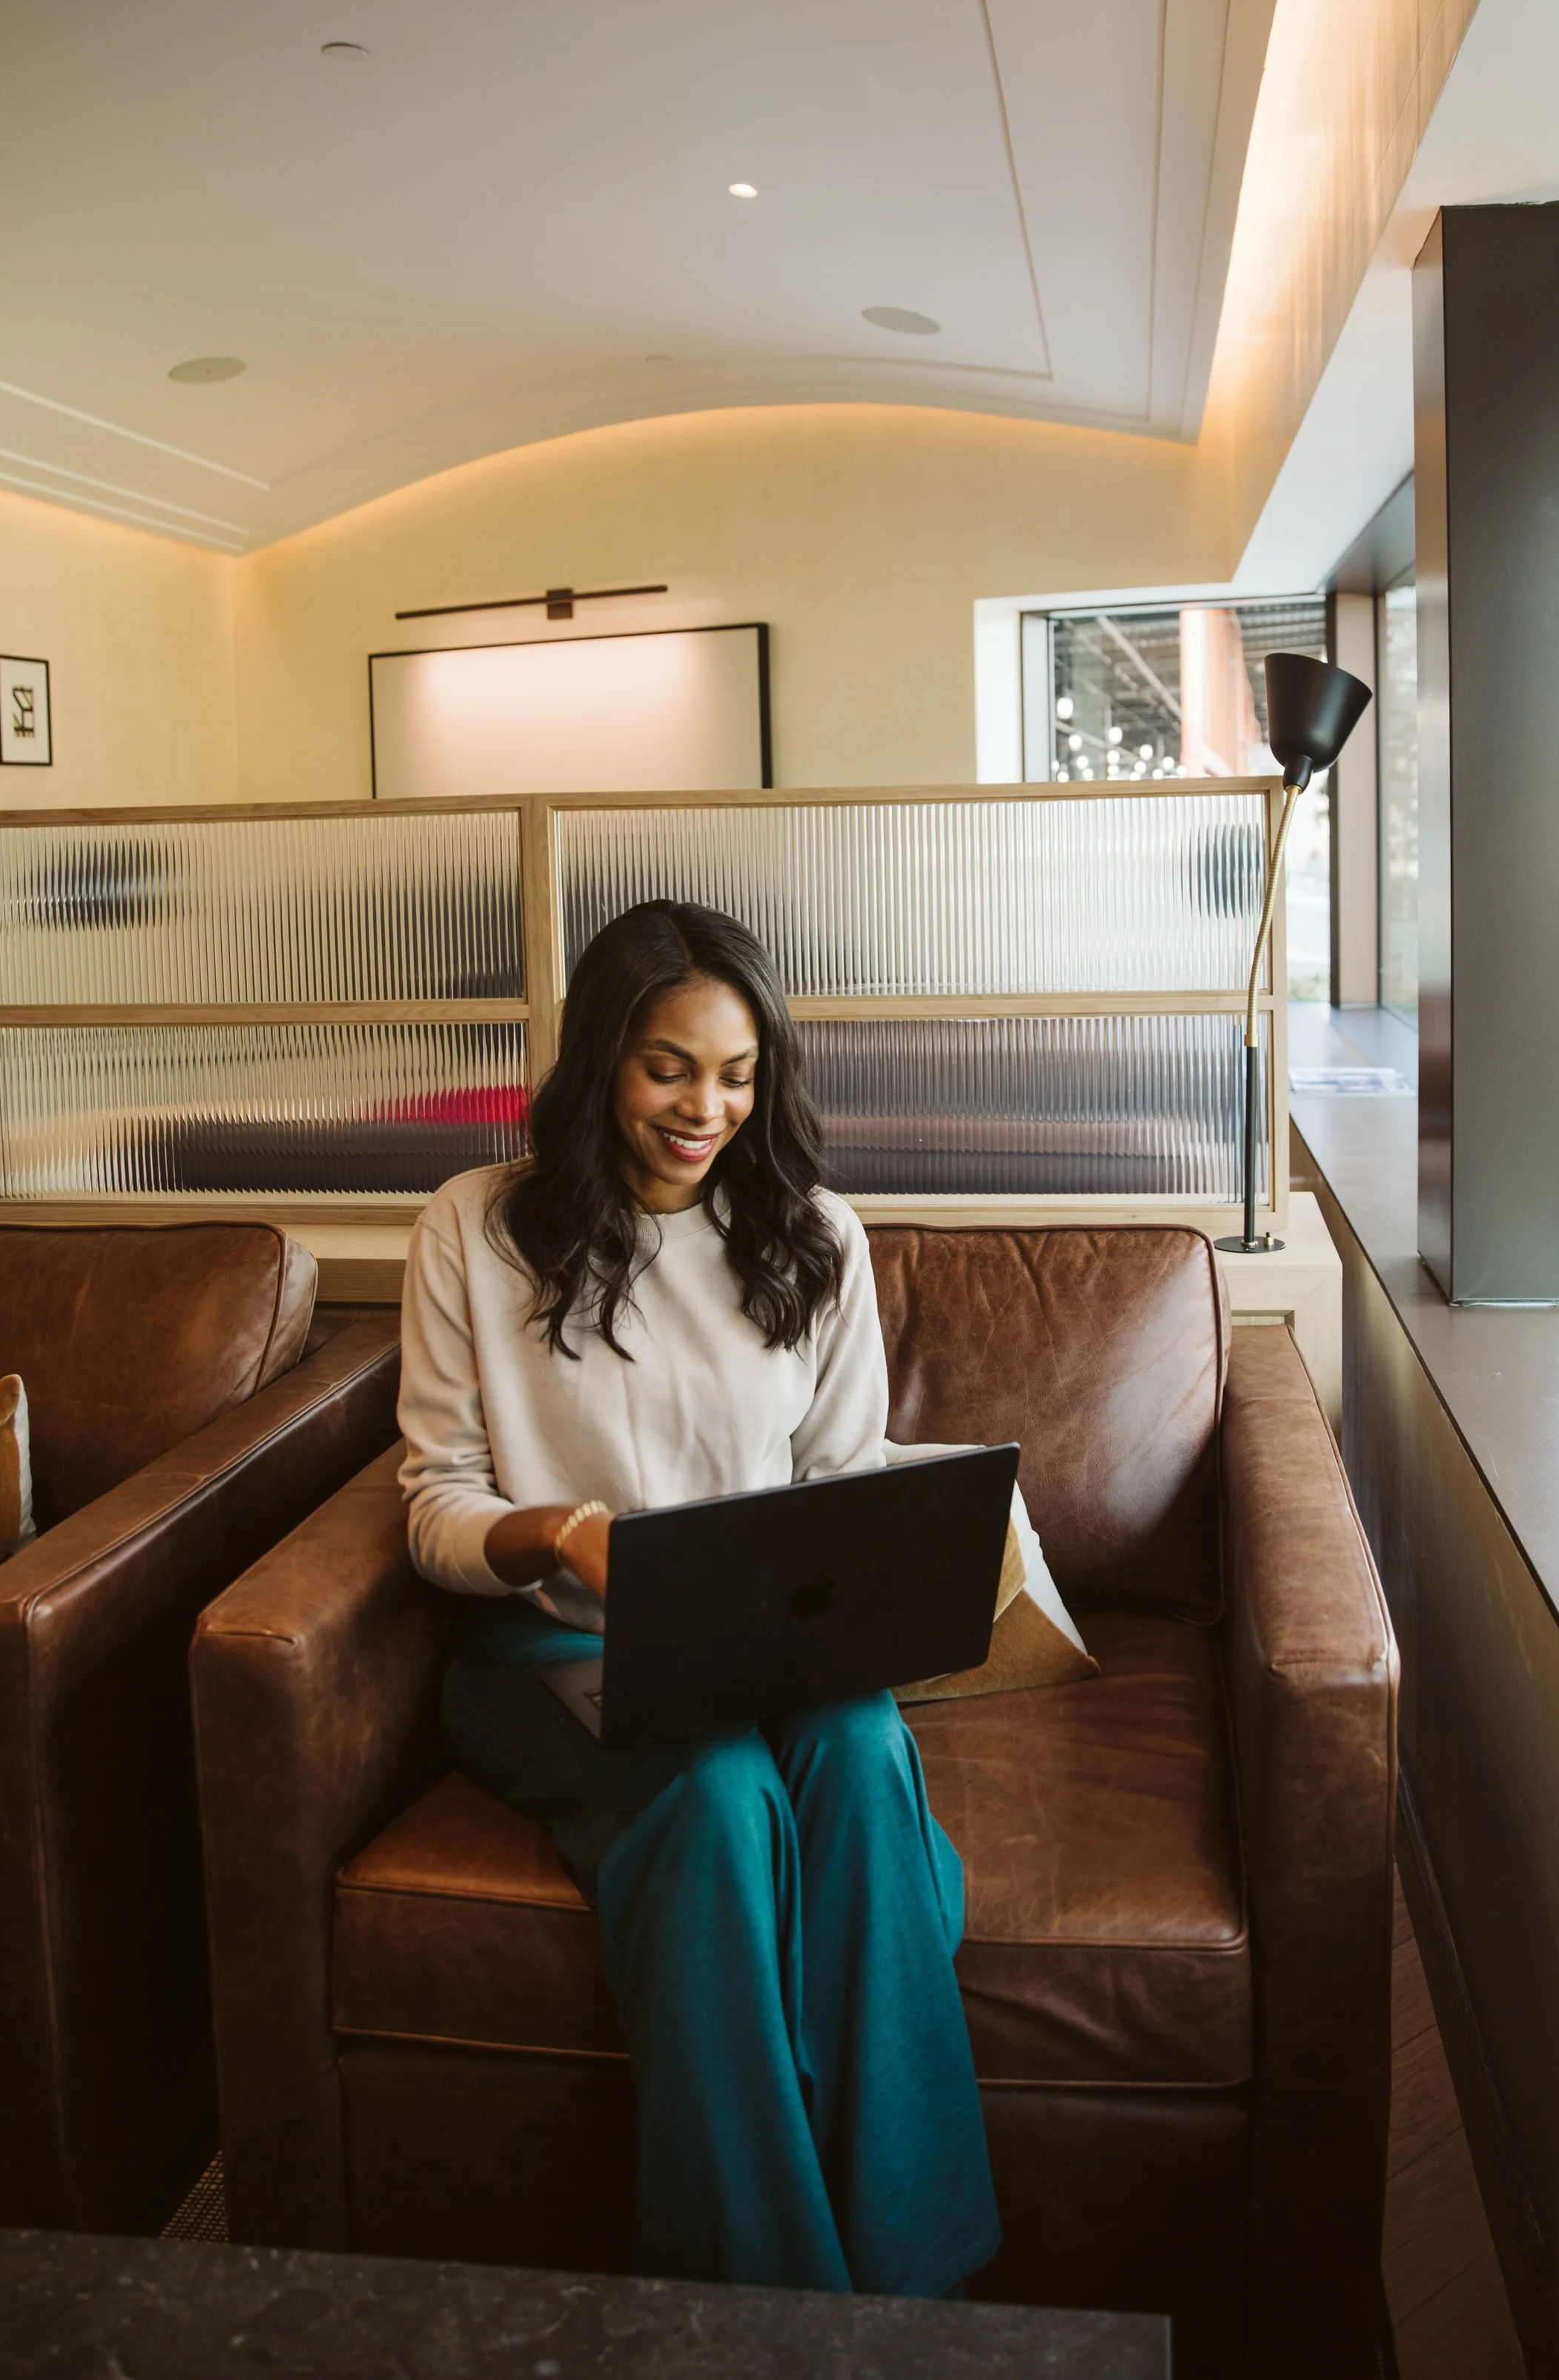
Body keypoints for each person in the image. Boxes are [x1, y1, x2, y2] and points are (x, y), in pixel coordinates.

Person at [397, 898, 998, 2299]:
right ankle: (763, 2307)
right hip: (549, 1644)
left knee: (855, 1751)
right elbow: (433, 1507)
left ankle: (922, 2282)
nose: (706, 1106)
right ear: (603, 1054)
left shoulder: (816, 1237)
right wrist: (556, 1532)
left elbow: (847, 1483)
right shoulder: (475, 1230)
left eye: (738, 1074)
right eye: (671, 1065)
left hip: (764, 1651)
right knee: (721, 1793)